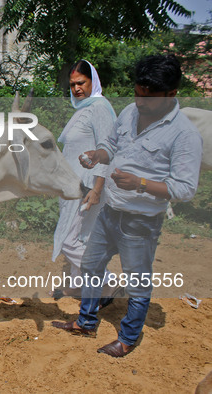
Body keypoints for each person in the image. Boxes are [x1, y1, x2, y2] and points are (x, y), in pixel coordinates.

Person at [52, 55, 202, 357]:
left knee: (137, 282)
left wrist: (140, 184)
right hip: (111, 211)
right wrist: (98, 154)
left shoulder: (184, 134)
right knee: (91, 266)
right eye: (138, 92)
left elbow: (185, 188)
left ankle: (129, 337)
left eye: (150, 96)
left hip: (141, 220)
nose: (141, 101)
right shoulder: (130, 112)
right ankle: (87, 322)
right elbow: (111, 143)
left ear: (171, 94)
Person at [50, 60, 119, 302]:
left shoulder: (99, 107)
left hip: (89, 185)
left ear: (93, 82)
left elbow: (107, 149)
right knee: (81, 237)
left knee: (69, 239)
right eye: (72, 84)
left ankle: (109, 282)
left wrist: (98, 189)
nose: (77, 88)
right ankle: (80, 287)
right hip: (73, 185)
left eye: (81, 82)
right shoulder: (84, 109)